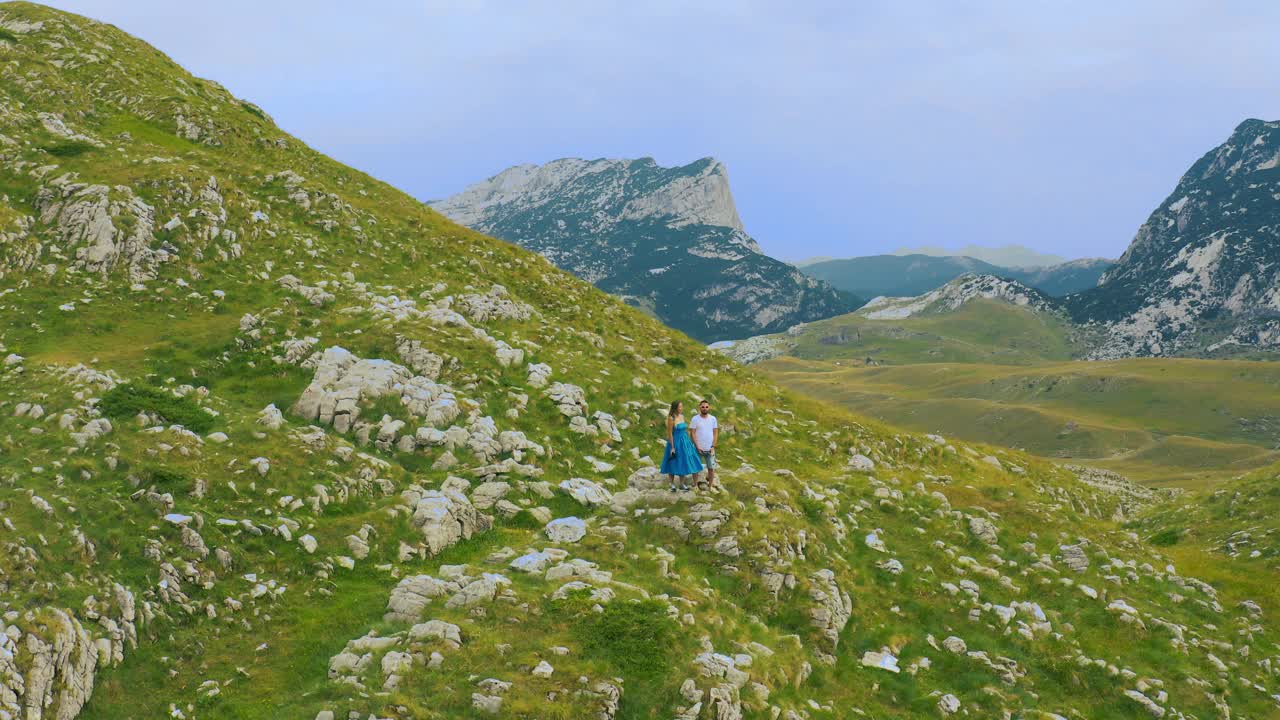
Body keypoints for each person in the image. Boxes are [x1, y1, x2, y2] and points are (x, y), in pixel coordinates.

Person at [660, 399, 702, 492]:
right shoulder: (671, 418)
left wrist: (689, 441)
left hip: (685, 441)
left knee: (683, 461)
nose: (681, 408)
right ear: (675, 408)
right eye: (680, 407)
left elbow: (685, 429)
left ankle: (682, 483)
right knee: (673, 461)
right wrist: (672, 446)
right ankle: (672, 484)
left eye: (682, 406)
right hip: (676, 441)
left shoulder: (682, 416)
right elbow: (670, 433)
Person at [689, 399, 720, 492]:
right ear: (699, 407)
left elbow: (715, 433)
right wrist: (697, 446)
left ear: (709, 407)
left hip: (710, 448)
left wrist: (713, 446)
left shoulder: (713, 419)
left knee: (711, 468)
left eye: (706, 407)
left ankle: (710, 486)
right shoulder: (695, 419)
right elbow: (692, 433)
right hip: (698, 448)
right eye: (703, 407)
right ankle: (695, 485)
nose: (705, 408)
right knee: (695, 467)